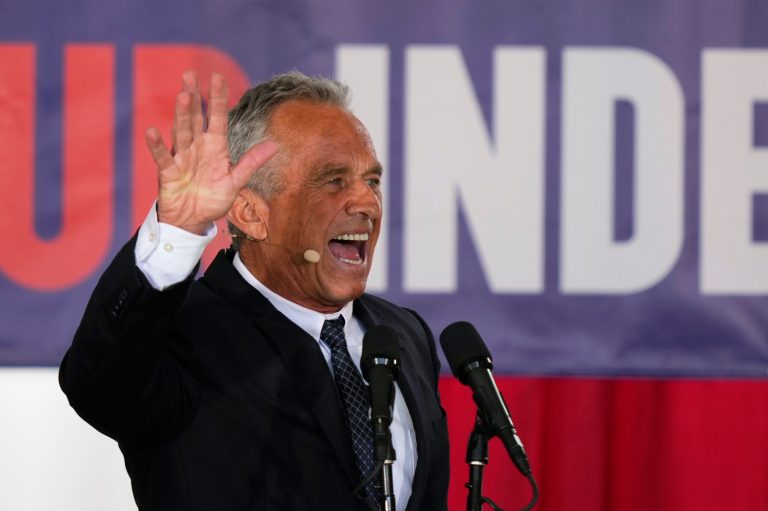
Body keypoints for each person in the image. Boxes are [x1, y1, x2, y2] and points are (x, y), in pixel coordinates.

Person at [59, 70, 449, 510]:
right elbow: (96, 386)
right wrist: (179, 230)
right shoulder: (181, 338)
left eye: (372, 181)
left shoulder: (404, 334)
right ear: (249, 212)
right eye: (334, 180)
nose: (368, 204)